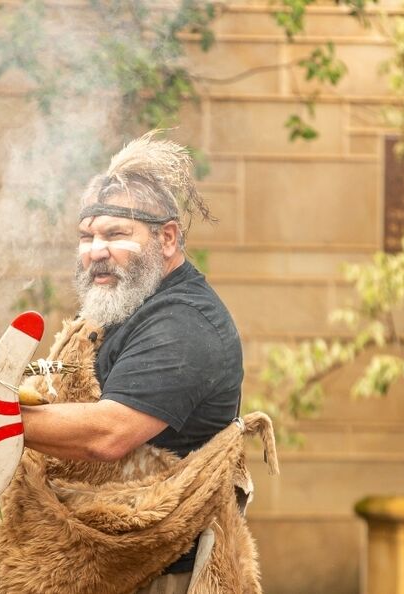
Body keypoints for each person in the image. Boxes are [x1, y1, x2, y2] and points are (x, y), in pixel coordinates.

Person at [20, 132, 244, 593]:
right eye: (86, 237)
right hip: (95, 567)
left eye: (116, 234)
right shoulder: (121, 308)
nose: (95, 251)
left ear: (167, 238)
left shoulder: (185, 323)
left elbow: (109, 433)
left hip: (161, 573)